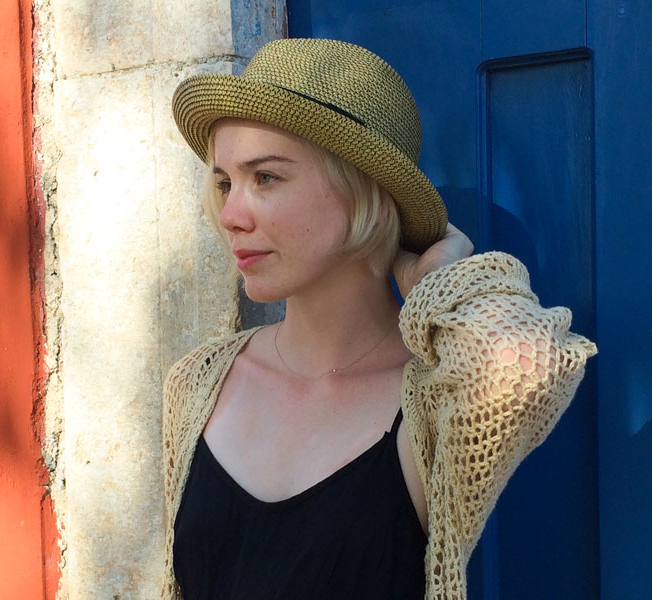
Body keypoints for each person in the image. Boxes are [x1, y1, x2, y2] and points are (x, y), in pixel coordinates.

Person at [162, 38, 596, 600]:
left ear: (362, 190)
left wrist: (440, 282)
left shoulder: (433, 399)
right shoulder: (198, 382)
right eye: (225, 183)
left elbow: (529, 367)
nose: (230, 216)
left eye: (265, 178)